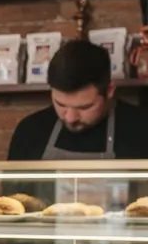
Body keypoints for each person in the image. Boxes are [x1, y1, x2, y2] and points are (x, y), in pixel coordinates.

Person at [8, 39, 148, 159]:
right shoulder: (29, 132)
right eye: (61, 104)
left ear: (110, 90)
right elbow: (12, 191)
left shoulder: (142, 129)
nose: (70, 118)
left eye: (84, 107)